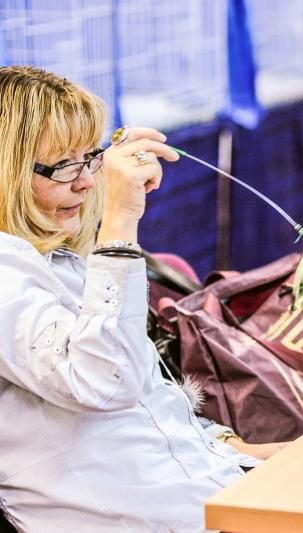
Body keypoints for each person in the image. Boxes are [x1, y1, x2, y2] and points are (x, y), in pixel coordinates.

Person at [0, 66, 286, 531]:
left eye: (89, 159)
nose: (88, 182)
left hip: (204, 490)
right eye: (64, 165)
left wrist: (233, 447)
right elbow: (105, 382)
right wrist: (120, 220)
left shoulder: (60, 260)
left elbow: (145, 407)